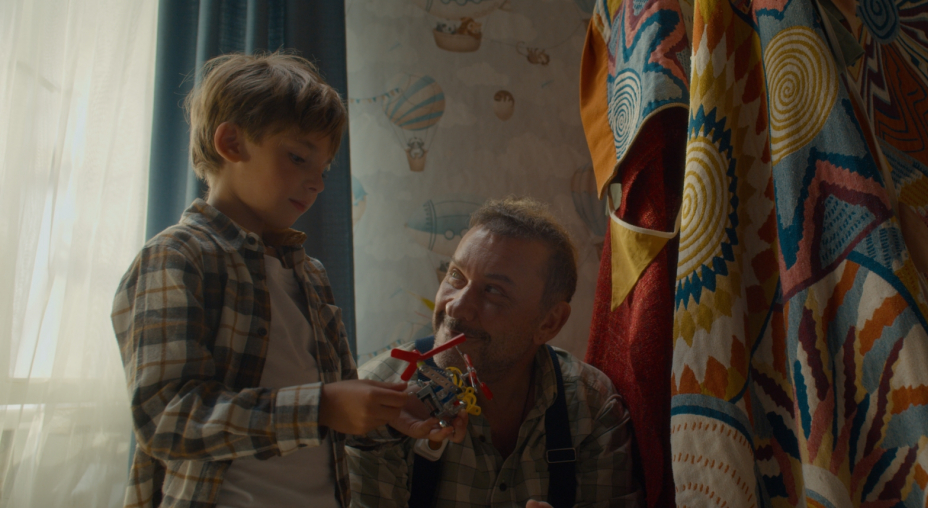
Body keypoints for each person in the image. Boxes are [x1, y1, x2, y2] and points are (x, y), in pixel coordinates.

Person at [111, 52, 447, 508]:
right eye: (297, 157)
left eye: (323, 170)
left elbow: (335, 424)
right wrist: (320, 406)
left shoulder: (310, 275)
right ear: (231, 143)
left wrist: (390, 417)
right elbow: (166, 420)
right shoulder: (177, 257)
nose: (317, 183)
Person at [347, 198, 642, 507]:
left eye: (494, 291)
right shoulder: (378, 401)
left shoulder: (591, 407)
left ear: (549, 322)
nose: (457, 306)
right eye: (456, 275)